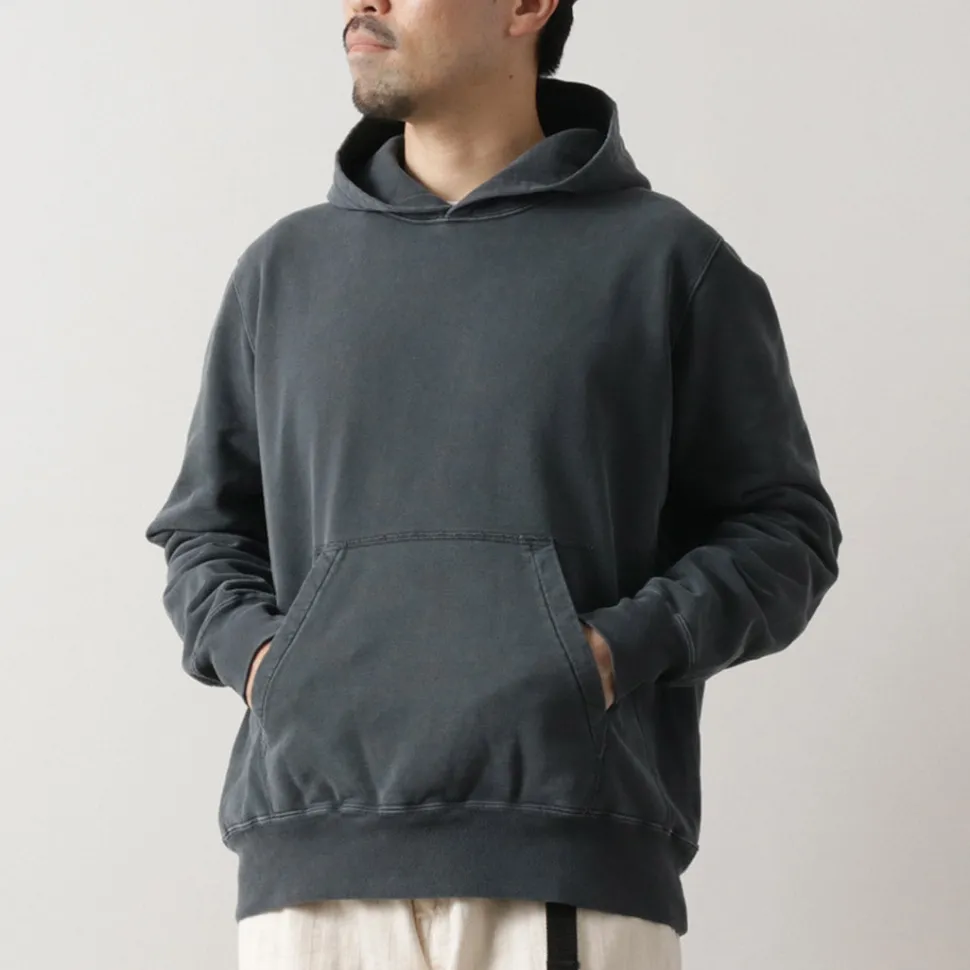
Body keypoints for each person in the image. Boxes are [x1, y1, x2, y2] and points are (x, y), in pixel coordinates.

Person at [143, 0, 843, 967]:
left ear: (526, 7)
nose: (361, 3)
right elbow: (204, 531)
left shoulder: (668, 261)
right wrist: (271, 664)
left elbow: (782, 532)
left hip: (569, 855)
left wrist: (607, 656)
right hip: (312, 866)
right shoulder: (283, 270)